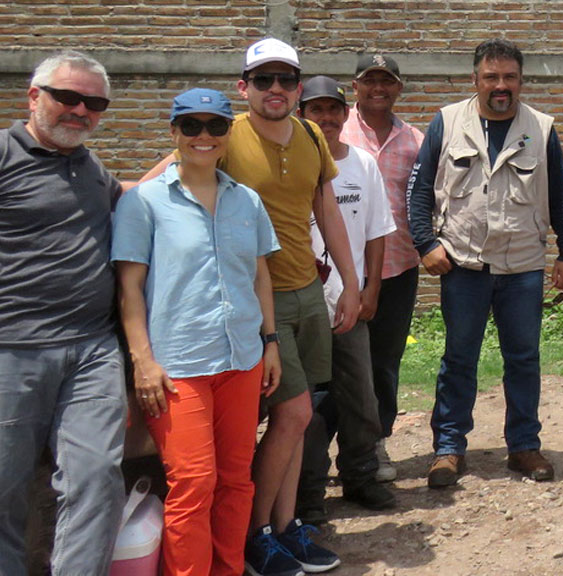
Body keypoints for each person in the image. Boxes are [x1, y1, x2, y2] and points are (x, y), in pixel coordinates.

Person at [145, 38, 362, 576]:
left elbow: (326, 208)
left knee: (299, 418)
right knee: (295, 413)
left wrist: (350, 283)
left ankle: (285, 528)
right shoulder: (223, 134)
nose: (275, 89)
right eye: (263, 79)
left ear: (298, 87)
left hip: (306, 290)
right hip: (255, 299)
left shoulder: (311, 134)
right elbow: (155, 186)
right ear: (244, 87)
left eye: (286, 79)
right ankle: (255, 534)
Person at [113, 88, 282, 576]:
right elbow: (130, 289)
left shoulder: (246, 200)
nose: (203, 136)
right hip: (178, 367)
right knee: (193, 482)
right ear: (174, 132)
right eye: (191, 125)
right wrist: (143, 361)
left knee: (236, 479)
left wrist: (271, 342)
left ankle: (228, 568)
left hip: (241, 359)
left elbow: (259, 277)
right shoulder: (144, 202)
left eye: (215, 126)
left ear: (228, 134)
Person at [407, 39, 563, 487]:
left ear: (521, 80)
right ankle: (448, 448)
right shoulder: (447, 122)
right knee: (458, 358)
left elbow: (560, 195)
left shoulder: (541, 128)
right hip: (462, 265)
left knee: (523, 359)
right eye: (491, 77)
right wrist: (425, 243)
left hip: (522, 266)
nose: (501, 86)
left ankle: (523, 446)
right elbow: (420, 190)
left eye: (510, 77)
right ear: (475, 79)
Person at [0, 51, 125, 575]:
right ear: (34, 96)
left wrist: (189, 157)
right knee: (4, 486)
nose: (80, 111)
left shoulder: (91, 168)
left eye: (94, 104)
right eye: (68, 97)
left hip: (93, 349)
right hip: (13, 348)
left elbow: (131, 199)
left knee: (96, 476)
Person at [296, 76, 397, 522]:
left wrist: (369, 288)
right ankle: (308, 495)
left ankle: (360, 476)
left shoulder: (362, 164)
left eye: (333, 110)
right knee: (308, 406)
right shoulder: (291, 166)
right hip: (302, 304)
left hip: (348, 302)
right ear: (301, 115)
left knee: (361, 397)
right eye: (316, 110)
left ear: (345, 114)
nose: (326, 118)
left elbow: (376, 231)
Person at [340, 53, 425, 484]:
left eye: (386, 81)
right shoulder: (335, 130)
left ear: (398, 88)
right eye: (369, 80)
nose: (378, 89)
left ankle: (375, 441)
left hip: (397, 268)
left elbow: (425, 198)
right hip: (341, 270)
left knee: (385, 361)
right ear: (355, 86)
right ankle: (323, 448)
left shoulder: (415, 141)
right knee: (337, 364)